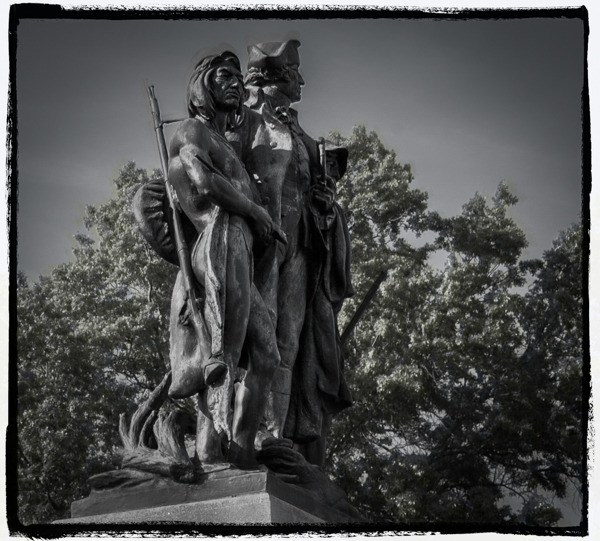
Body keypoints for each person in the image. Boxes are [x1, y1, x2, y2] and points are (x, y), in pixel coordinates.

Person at [227, 42, 354, 464]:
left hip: (302, 249)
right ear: (270, 80)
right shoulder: (241, 124)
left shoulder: (305, 138)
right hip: (259, 248)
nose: (301, 80)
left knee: (289, 344)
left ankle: (276, 435)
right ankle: (239, 433)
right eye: (294, 72)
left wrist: (324, 205)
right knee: (250, 341)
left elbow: (319, 201)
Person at [167, 51, 281, 468]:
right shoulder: (191, 130)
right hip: (217, 242)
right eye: (224, 76)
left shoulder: (223, 140)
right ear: (203, 85)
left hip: (242, 251)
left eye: (238, 77)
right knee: (227, 356)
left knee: (267, 355)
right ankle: (219, 366)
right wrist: (254, 212)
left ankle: (240, 450)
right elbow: (204, 181)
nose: (236, 83)